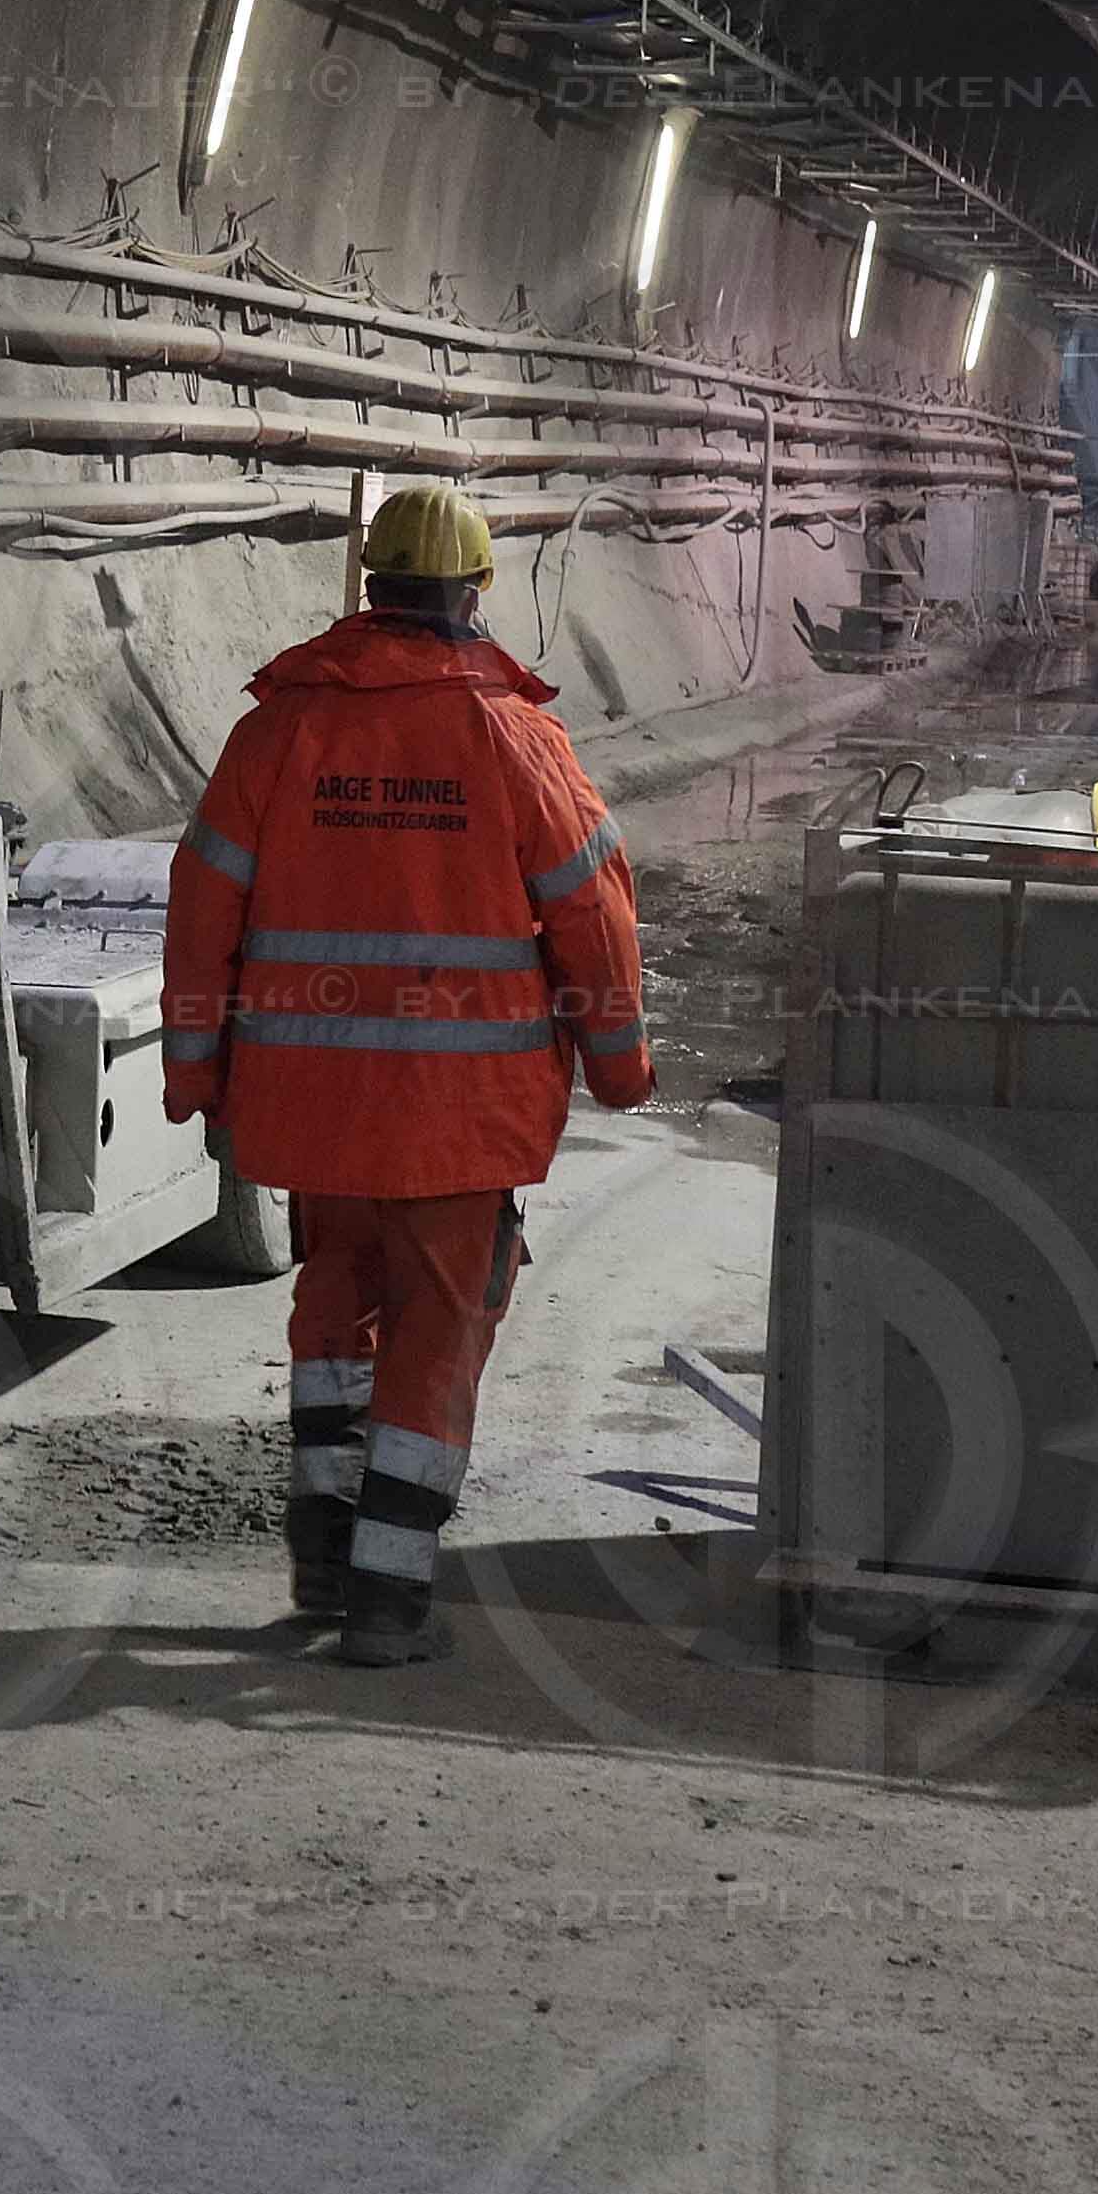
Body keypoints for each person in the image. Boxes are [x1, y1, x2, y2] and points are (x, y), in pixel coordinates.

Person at [158, 482, 651, 1665]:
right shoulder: (515, 738)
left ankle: (325, 1560)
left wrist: (195, 1072)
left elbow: (201, 905)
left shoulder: (279, 729)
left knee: (334, 1307)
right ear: (475, 593)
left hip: (314, 1111)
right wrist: (620, 1064)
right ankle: (386, 1601)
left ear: (370, 586)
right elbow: (592, 914)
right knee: (435, 1330)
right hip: (457, 1122)